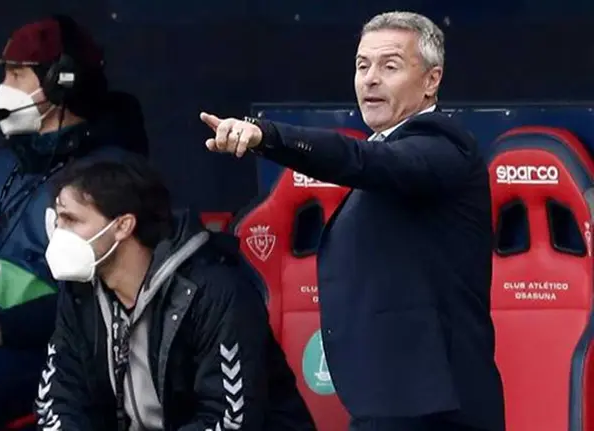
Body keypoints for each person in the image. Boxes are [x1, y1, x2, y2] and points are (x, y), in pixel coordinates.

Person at [199, 11, 505, 431]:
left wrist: (267, 135)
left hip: (435, 408)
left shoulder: (443, 144)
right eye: (362, 65)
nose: (370, 79)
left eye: (389, 66)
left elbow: (360, 160)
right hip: (391, 398)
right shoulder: (386, 150)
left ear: (432, 80)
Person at [0, 15, 148, 431]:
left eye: (16, 74)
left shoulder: (109, 179)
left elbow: (108, 295)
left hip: (50, 351)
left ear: (61, 83)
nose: (5, 88)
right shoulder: (1, 166)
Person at [34, 158, 316, 431]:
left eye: (70, 220)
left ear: (123, 226)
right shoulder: (80, 292)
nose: (59, 233)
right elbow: (59, 399)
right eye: (57, 220)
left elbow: (229, 419)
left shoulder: (215, 292)